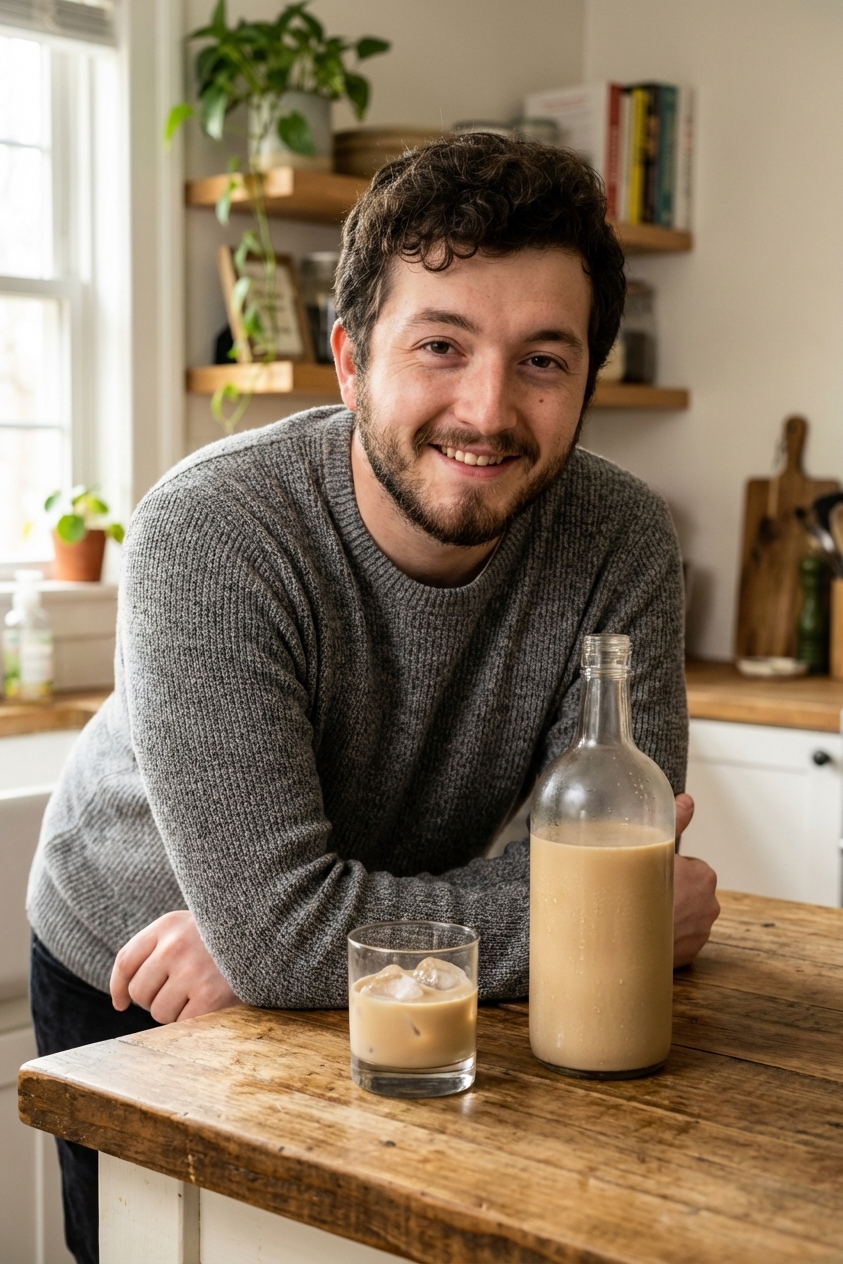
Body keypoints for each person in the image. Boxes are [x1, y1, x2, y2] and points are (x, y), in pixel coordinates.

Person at [27, 133, 719, 1264]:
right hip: (141, 976)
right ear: (349, 361)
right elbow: (605, 907)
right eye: (441, 346)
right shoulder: (211, 531)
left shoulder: (621, 537)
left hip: (332, 959)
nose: (488, 410)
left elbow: (615, 838)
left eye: (544, 359)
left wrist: (295, 934)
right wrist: (281, 938)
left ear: (591, 374)